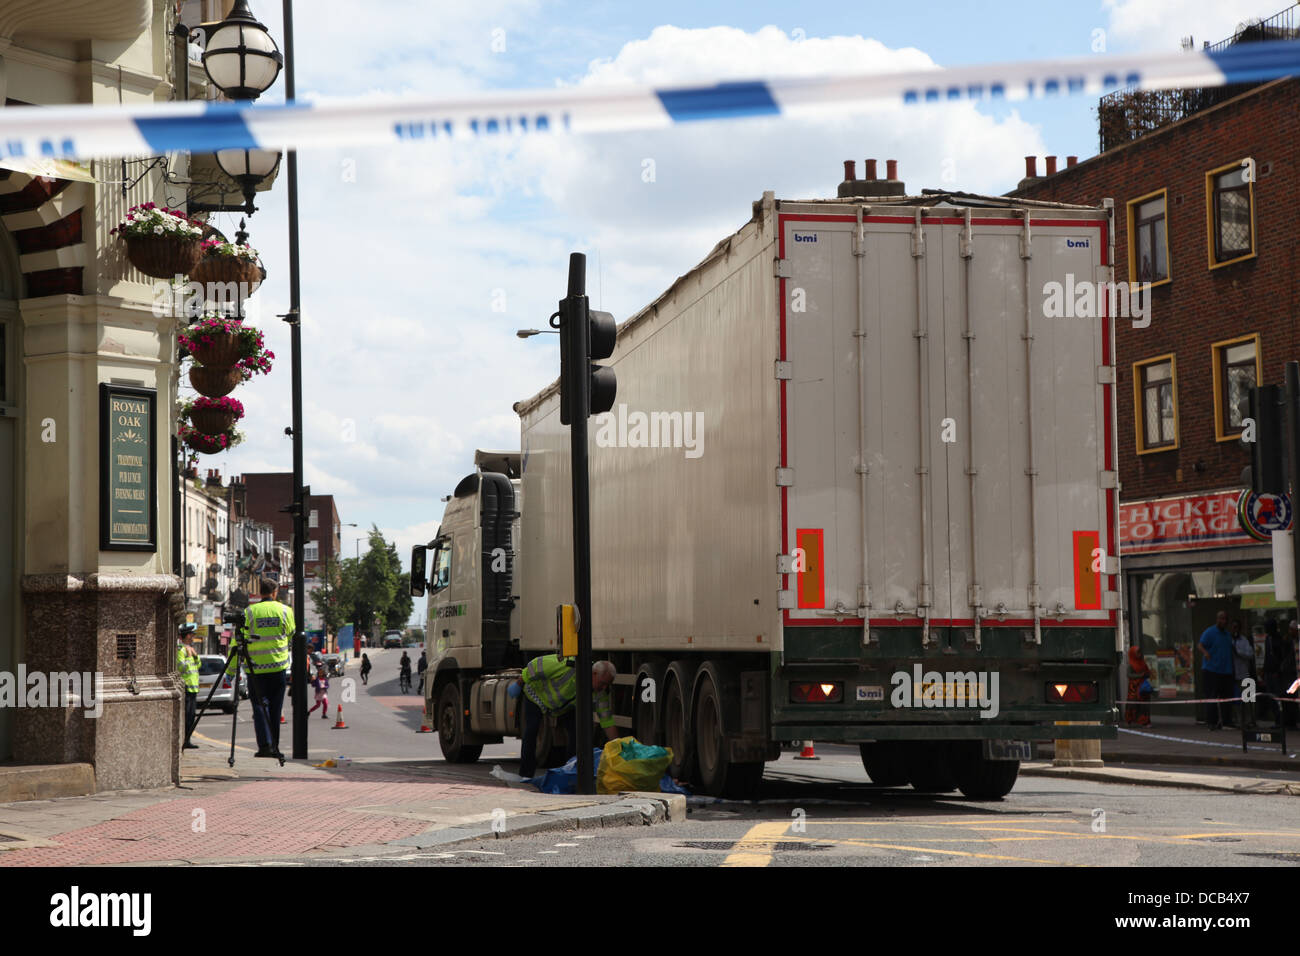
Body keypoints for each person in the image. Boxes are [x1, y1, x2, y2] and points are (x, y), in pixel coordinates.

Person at [516, 656, 619, 779]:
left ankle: (570, 772)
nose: (604, 688)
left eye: (607, 685)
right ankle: (526, 774)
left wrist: (619, 746)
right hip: (536, 695)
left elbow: (607, 722)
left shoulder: (600, 693)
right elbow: (536, 665)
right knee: (532, 730)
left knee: (577, 735)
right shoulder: (567, 667)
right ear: (594, 674)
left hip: (563, 707)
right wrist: (520, 681)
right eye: (602, 683)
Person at [229, 576, 294, 757]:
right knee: (275, 709)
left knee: (259, 707)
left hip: (255, 669)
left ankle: (264, 746)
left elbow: (237, 642)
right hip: (278, 668)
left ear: (260, 592)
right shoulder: (285, 611)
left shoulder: (249, 612)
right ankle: (275, 747)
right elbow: (290, 634)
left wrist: (231, 670)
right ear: (274, 593)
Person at [1198, 610, 1236, 729]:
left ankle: (1226, 721)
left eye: (1225, 619)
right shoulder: (1210, 632)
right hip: (1211, 670)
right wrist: (1206, 653)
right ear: (1217, 619)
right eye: (1221, 618)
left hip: (1225, 670)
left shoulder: (1227, 635)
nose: (1223, 621)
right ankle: (1212, 722)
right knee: (1212, 696)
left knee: (1226, 697)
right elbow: (1200, 645)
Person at [1231, 619, 1256, 729]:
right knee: (1235, 700)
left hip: (1244, 674)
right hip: (1232, 674)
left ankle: (1249, 720)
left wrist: (1239, 652)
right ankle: (1239, 720)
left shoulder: (1244, 640)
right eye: (1233, 627)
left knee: (1247, 699)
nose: (1235, 630)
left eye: (1237, 627)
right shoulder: (1229, 640)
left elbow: (1250, 654)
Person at [178, 624, 200, 749]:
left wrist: (195, 656)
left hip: (193, 687)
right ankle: (185, 740)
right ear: (186, 636)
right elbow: (180, 667)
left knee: (191, 716)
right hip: (186, 687)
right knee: (187, 716)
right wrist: (189, 656)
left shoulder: (190, 649)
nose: (193, 637)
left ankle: (188, 739)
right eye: (191, 635)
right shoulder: (181, 650)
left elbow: (198, 665)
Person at [1124, 645, 1152, 727]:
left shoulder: (1142, 662)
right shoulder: (1131, 665)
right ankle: (1129, 720)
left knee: (1144, 705)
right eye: (1137, 652)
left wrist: (1147, 674)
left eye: (1140, 652)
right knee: (1132, 704)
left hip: (1143, 687)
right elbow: (1129, 675)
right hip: (1134, 688)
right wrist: (1140, 675)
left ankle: (1145, 721)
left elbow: (1147, 672)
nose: (1139, 654)